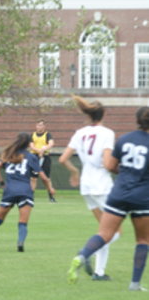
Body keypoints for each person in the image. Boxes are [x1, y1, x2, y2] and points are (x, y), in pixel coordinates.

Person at [68, 107, 149, 291]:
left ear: (137, 120)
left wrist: (127, 173)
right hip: (142, 196)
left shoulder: (124, 139)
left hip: (118, 193)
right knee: (143, 240)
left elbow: (111, 166)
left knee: (104, 233)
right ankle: (135, 284)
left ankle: (83, 255)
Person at [59, 96, 119, 280]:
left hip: (86, 185)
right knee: (114, 232)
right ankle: (86, 252)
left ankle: (99, 273)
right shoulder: (107, 133)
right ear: (103, 114)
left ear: (88, 115)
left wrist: (74, 172)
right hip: (102, 185)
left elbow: (62, 159)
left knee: (103, 231)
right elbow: (108, 162)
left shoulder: (80, 133)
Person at [0, 132, 50, 252]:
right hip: (25, 191)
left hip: (9, 190)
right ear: (29, 144)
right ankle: (20, 242)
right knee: (23, 222)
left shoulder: (8, 154)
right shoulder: (31, 157)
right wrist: (50, 189)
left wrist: (2, 183)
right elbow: (44, 177)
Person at [29, 119, 57, 202]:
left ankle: (51, 196)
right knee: (33, 178)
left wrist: (44, 149)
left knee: (46, 179)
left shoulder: (47, 134)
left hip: (45, 158)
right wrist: (39, 151)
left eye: (41, 125)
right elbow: (31, 146)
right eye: (38, 125)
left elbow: (51, 143)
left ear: (44, 126)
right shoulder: (32, 135)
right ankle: (30, 196)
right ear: (36, 126)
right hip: (34, 158)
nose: (39, 127)